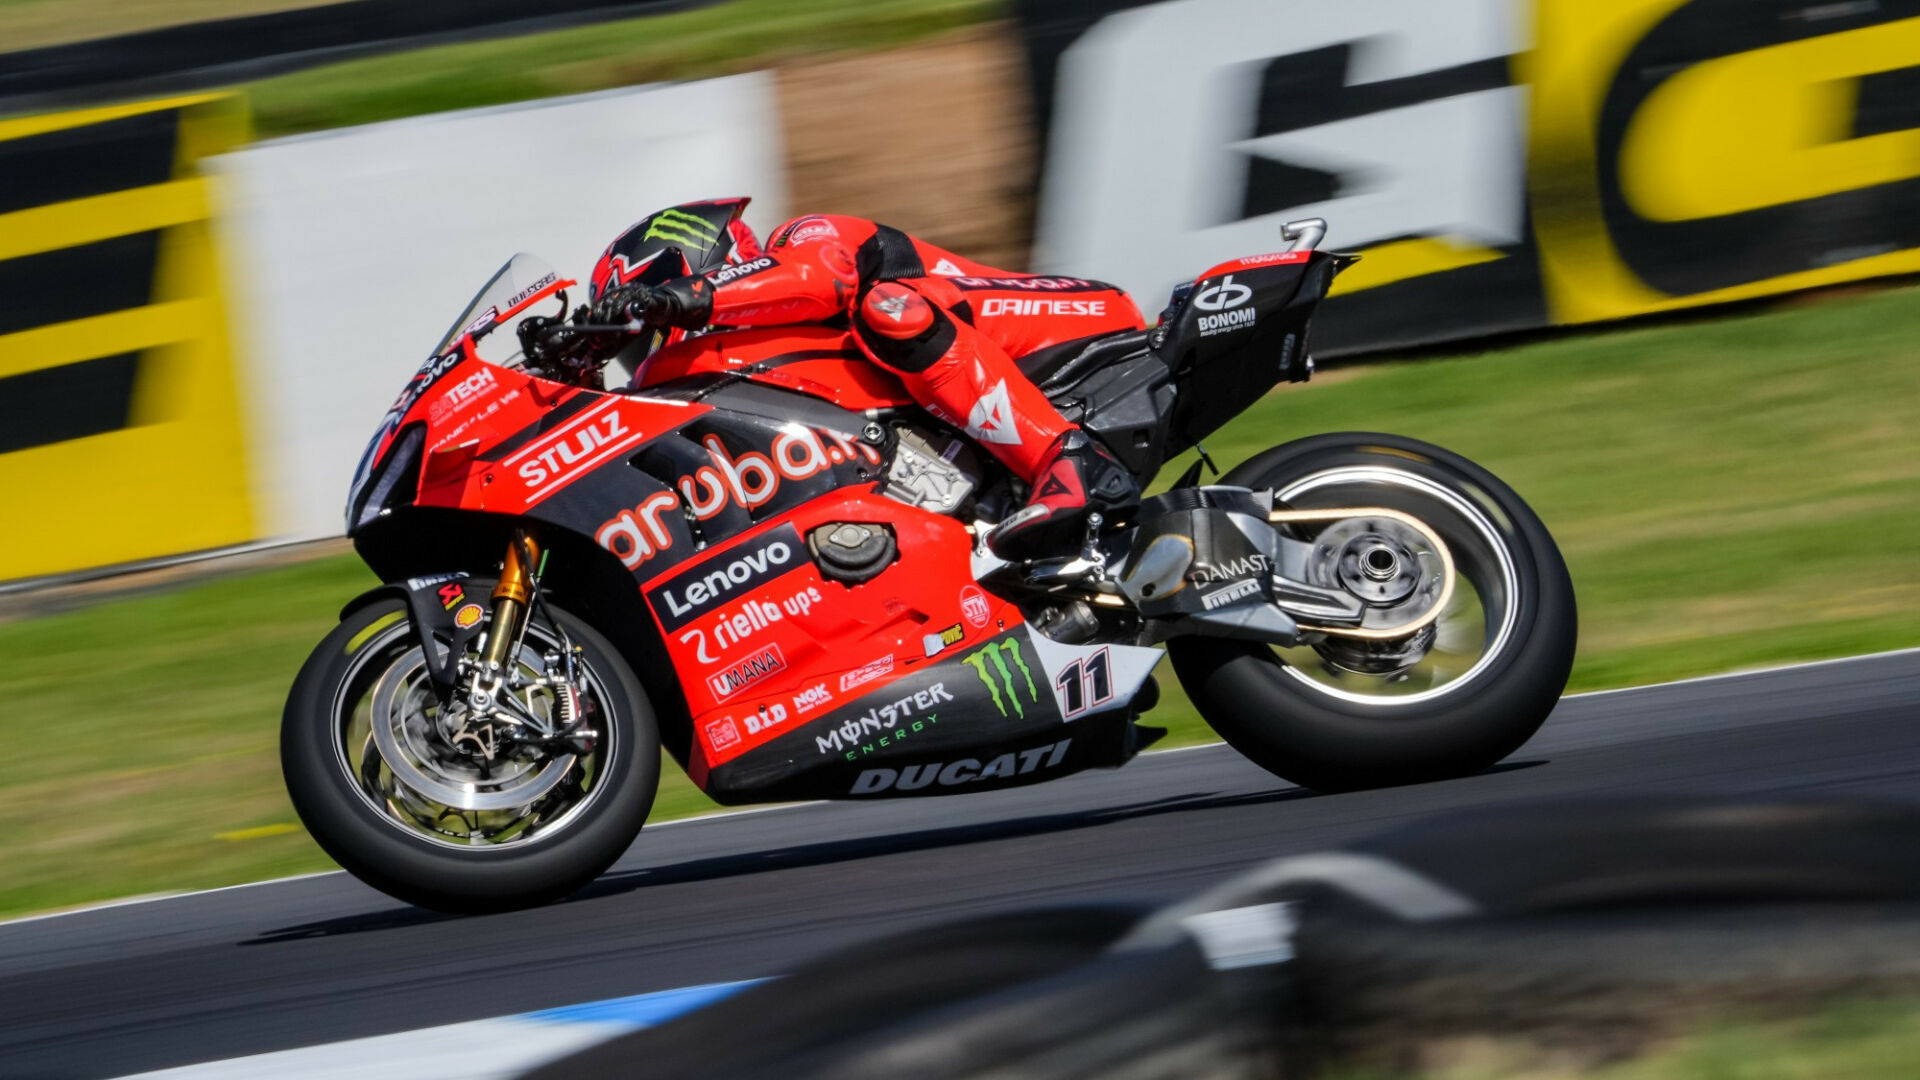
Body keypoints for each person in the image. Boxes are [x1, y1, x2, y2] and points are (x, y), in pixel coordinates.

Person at [581, 198, 1142, 561]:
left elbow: (819, 277)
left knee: (890, 308)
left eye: (645, 320)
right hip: (960, 390)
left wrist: (675, 302)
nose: (647, 347)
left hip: (1057, 329)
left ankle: (1064, 458)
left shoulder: (805, 235)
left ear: (696, 262)